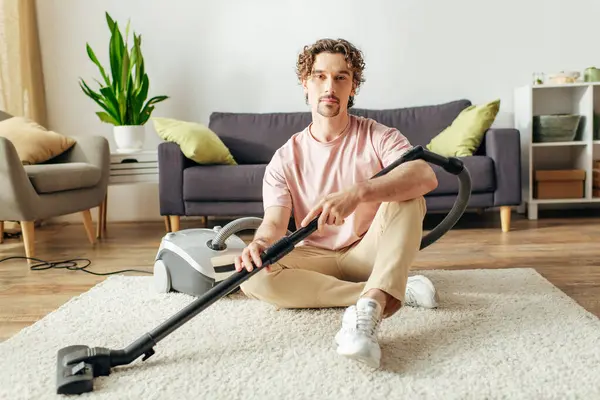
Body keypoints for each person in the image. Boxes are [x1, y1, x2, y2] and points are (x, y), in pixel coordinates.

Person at [233, 38, 439, 368]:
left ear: (353, 85)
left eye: (341, 77)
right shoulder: (285, 158)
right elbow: (274, 222)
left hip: (367, 251)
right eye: (320, 76)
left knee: (408, 196)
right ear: (305, 83)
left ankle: (375, 297)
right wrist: (258, 243)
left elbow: (425, 176)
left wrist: (358, 193)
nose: (330, 86)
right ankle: (384, 292)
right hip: (314, 255)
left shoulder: (377, 135)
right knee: (252, 277)